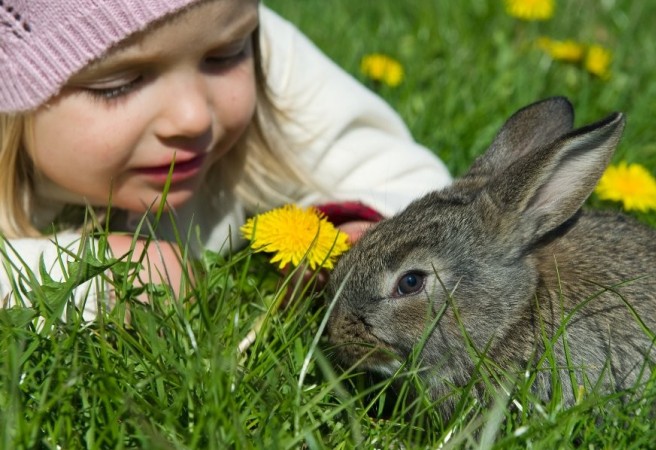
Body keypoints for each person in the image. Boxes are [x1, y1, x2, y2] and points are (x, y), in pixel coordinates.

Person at [0, 0, 452, 319]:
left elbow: (402, 174)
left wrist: (365, 232)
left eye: (223, 58)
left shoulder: (238, 36)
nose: (193, 117)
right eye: (119, 83)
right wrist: (85, 276)